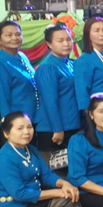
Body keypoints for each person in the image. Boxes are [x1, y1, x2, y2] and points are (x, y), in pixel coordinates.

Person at [0, 112, 84, 207]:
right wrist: (57, 192)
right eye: (20, 128)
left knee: (70, 193)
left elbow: (46, 175)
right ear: (6, 133)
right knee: (64, 202)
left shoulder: (30, 149)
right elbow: (19, 194)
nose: (26, 132)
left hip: (29, 203)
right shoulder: (4, 158)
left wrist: (64, 184)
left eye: (29, 127)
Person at [35, 25, 80, 156]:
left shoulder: (70, 63)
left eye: (69, 39)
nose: (66, 44)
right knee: (57, 172)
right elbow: (50, 101)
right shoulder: (48, 67)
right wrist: (57, 129)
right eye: (60, 41)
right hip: (54, 129)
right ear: (49, 44)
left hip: (72, 124)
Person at [74, 17, 103, 113]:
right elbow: (82, 92)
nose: (102, 34)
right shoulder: (84, 60)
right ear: (88, 35)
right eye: (97, 31)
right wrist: (88, 114)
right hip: (99, 112)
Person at [0, 21, 39, 125]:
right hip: (16, 122)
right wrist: (9, 122)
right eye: (9, 35)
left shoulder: (21, 56)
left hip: (31, 117)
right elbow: (2, 96)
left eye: (18, 34)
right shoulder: (0, 62)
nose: (14, 38)